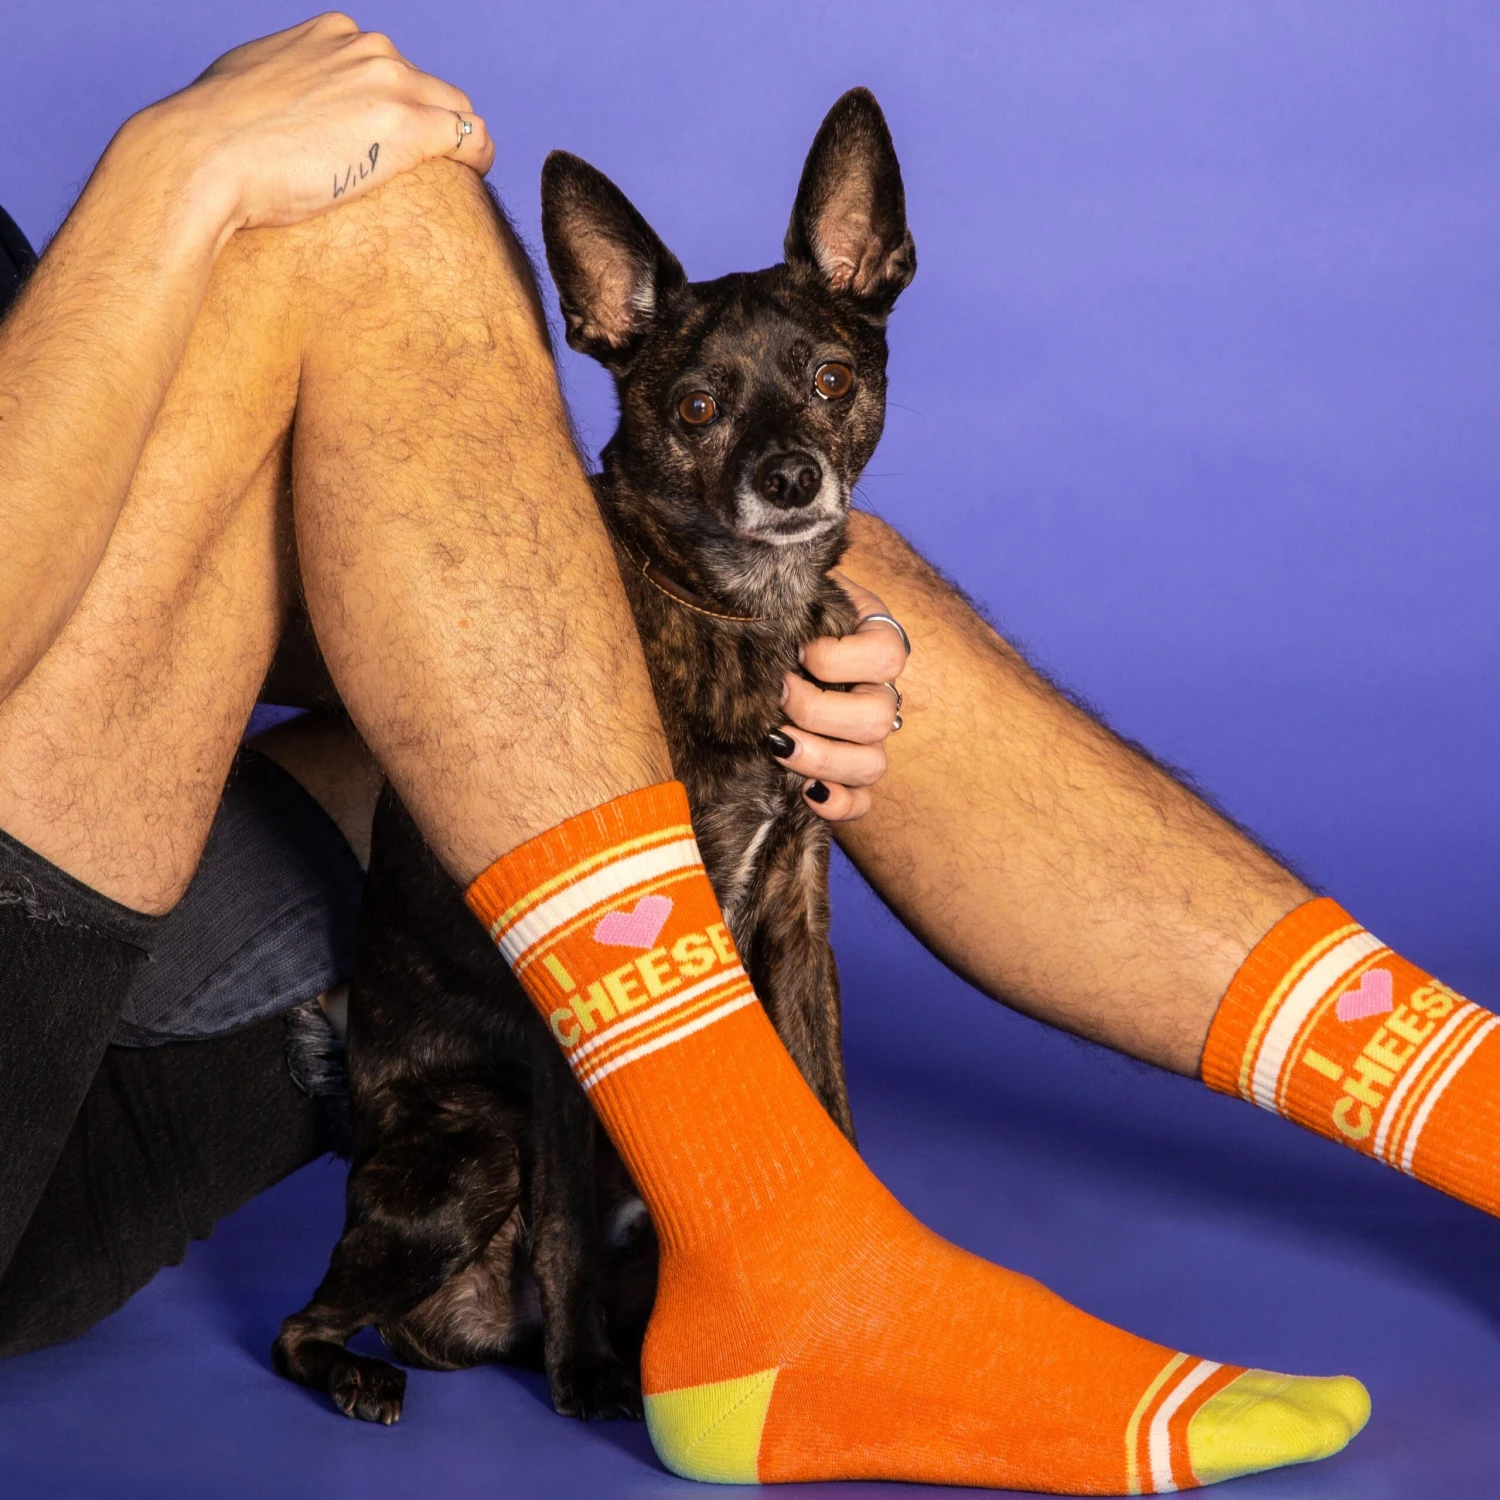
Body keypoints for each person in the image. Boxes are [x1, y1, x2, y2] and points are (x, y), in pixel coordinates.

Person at [3, 14, 1494, 1492]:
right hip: (45, 1074)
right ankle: (795, 1277)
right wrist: (173, 166)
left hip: (205, 937)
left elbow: (216, 576)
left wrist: (685, 647)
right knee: (381, 227)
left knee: (781, 578)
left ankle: (1478, 1110)